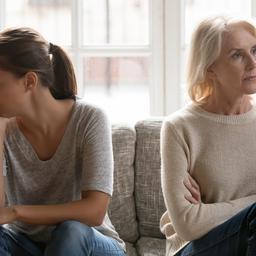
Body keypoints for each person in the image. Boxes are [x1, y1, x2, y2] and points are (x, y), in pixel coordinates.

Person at [0, 27, 126, 256]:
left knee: (70, 232)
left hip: (90, 244)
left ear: (29, 81)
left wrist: (17, 212)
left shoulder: (89, 119)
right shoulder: (5, 128)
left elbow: (94, 211)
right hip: (27, 245)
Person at [160, 15, 256, 256]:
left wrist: (210, 210)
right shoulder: (178, 128)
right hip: (194, 249)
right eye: (237, 55)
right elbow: (188, 223)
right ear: (210, 67)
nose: (253, 62)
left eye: (254, 50)